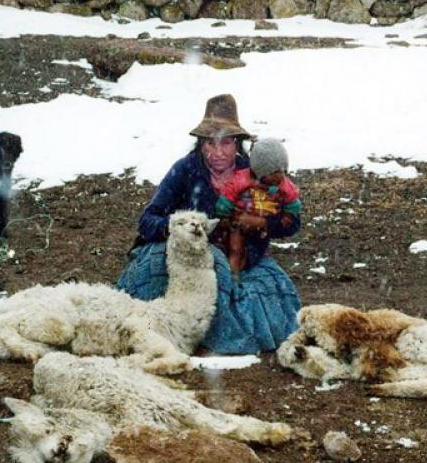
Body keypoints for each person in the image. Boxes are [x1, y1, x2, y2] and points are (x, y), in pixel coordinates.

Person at [115, 94, 302, 354]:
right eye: (210, 144)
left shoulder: (256, 173)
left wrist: (260, 223)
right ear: (200, 144)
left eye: (225, 143)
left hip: (240, 258)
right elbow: (148, 221)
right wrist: (177, 229)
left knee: (265, 299)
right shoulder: (185, 170)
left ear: (237, 144)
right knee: (151, 295)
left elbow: (291, 223)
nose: (217, 153)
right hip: (188, 257)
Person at [216, 138, 302, 273]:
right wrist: (224, 214)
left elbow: (294, 204)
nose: (279, 177)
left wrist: (286, 216)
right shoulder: (242, 180)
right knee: (235, 248)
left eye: (283, 172)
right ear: (260, 171)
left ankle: (247, 261)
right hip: (237, 224)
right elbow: (228, 195)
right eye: (274, 173)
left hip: (260, 229)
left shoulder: (283, 186)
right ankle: (233, 272)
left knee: (254, 246)